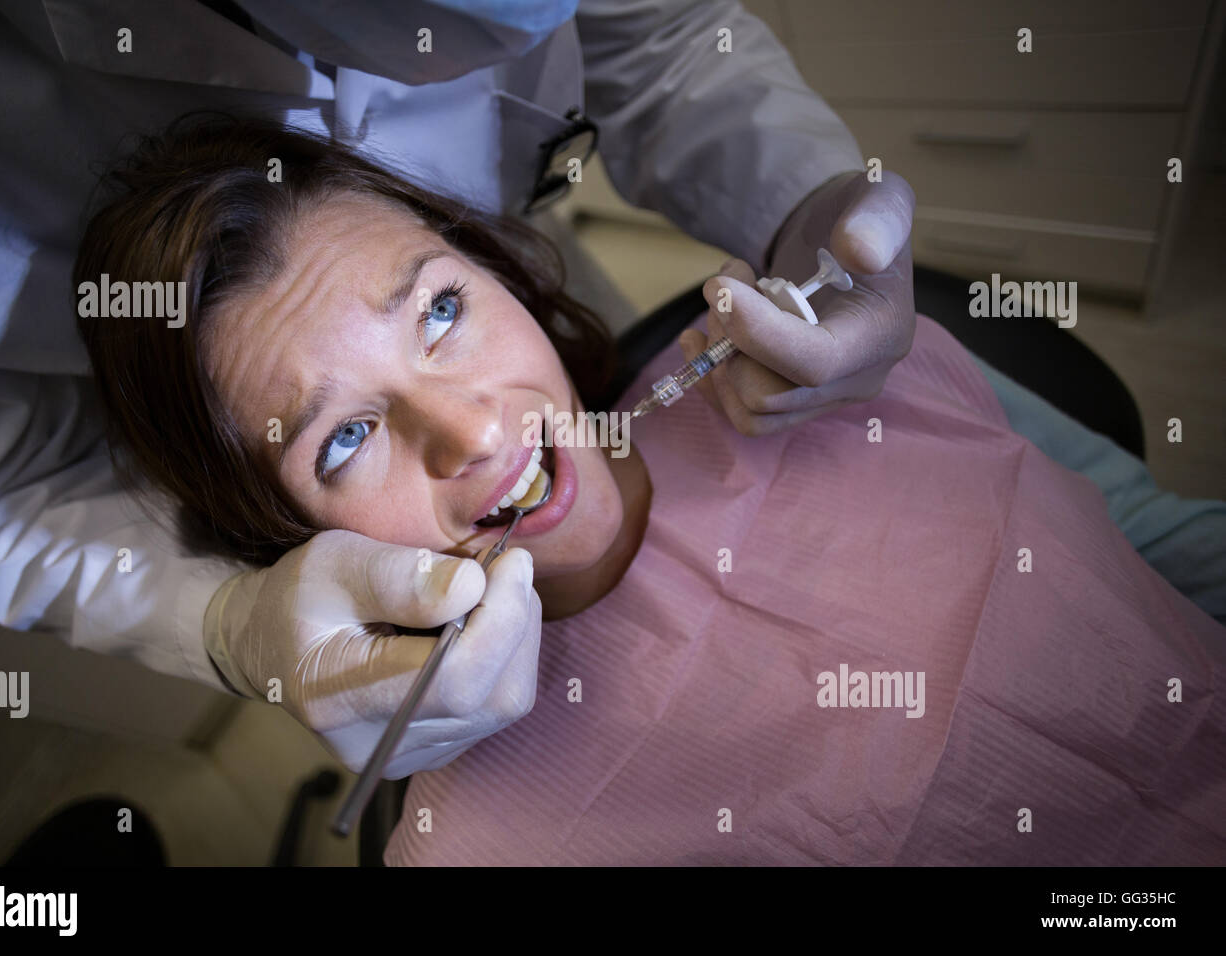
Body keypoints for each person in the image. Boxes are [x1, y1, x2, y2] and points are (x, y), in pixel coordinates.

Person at [73, 116, 1226, 865]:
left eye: (439, 309)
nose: (473, 424)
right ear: (284, 540)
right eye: (343, 440)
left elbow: (1149, 539)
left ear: (493, 265)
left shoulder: (816, 363)